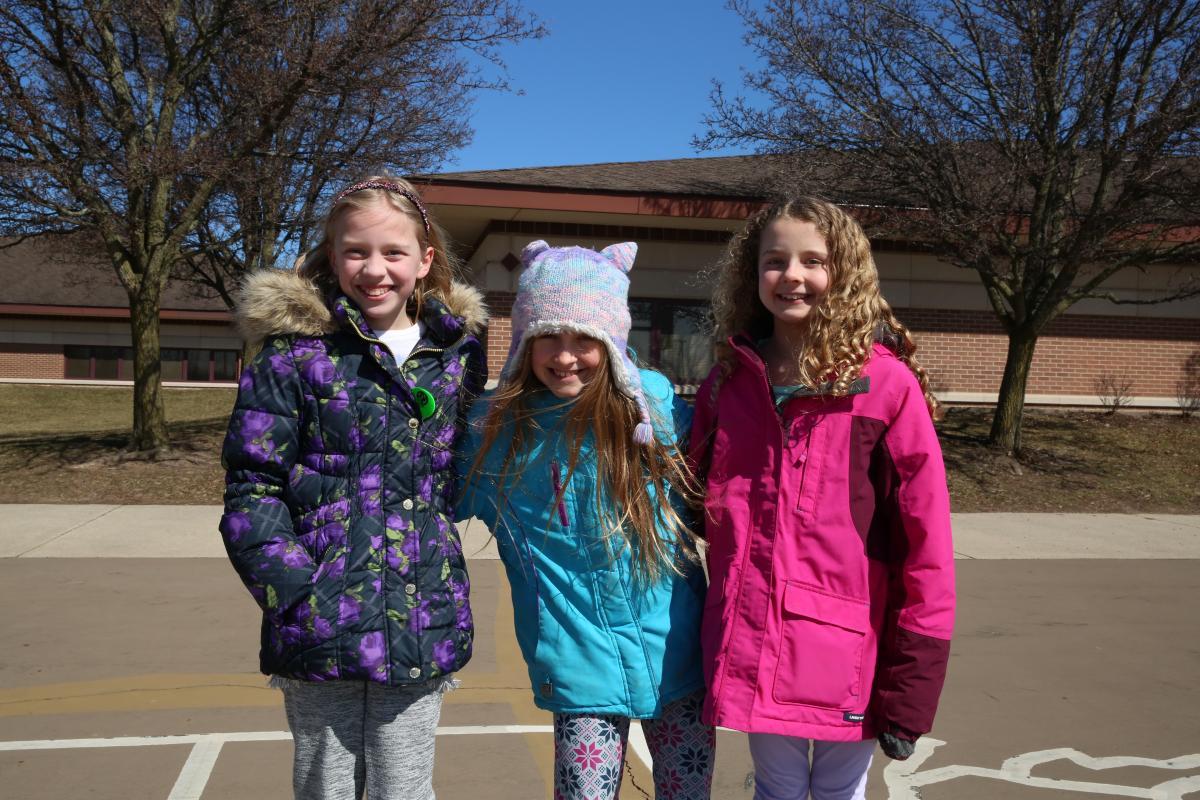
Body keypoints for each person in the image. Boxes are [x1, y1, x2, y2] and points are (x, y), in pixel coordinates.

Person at [219, 176, 487, 800]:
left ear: (425, 261)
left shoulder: (456, 354)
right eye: (355, 251)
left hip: (421, 615)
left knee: (404, 784)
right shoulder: (292, 356)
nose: (374, 269)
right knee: (327, 784)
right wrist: (297, 592)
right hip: (320, 619)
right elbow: (251, 488)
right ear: (331, 256)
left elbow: (481, 461)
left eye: (393, 253)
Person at [690, 197, 955, 800]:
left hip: (847, 658)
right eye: (775, 261)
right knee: (775, 790)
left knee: (840, 794)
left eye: (814, 260)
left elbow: (928, 548)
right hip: (753, 642)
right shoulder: (730, 382)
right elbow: (685, 497)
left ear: (845, 273)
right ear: (751, 273)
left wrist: (911, 688)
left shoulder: (884, 386)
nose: (793, 276)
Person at [456, 240, 715, 799]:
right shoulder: (496, 434)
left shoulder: (657, 413)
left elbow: (727, 484)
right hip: (577, 665)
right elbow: (422, 492)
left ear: (612, 341)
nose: (565, 355)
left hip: (678, 652)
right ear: (525, 339)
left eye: (584, 338)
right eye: (548, 335)